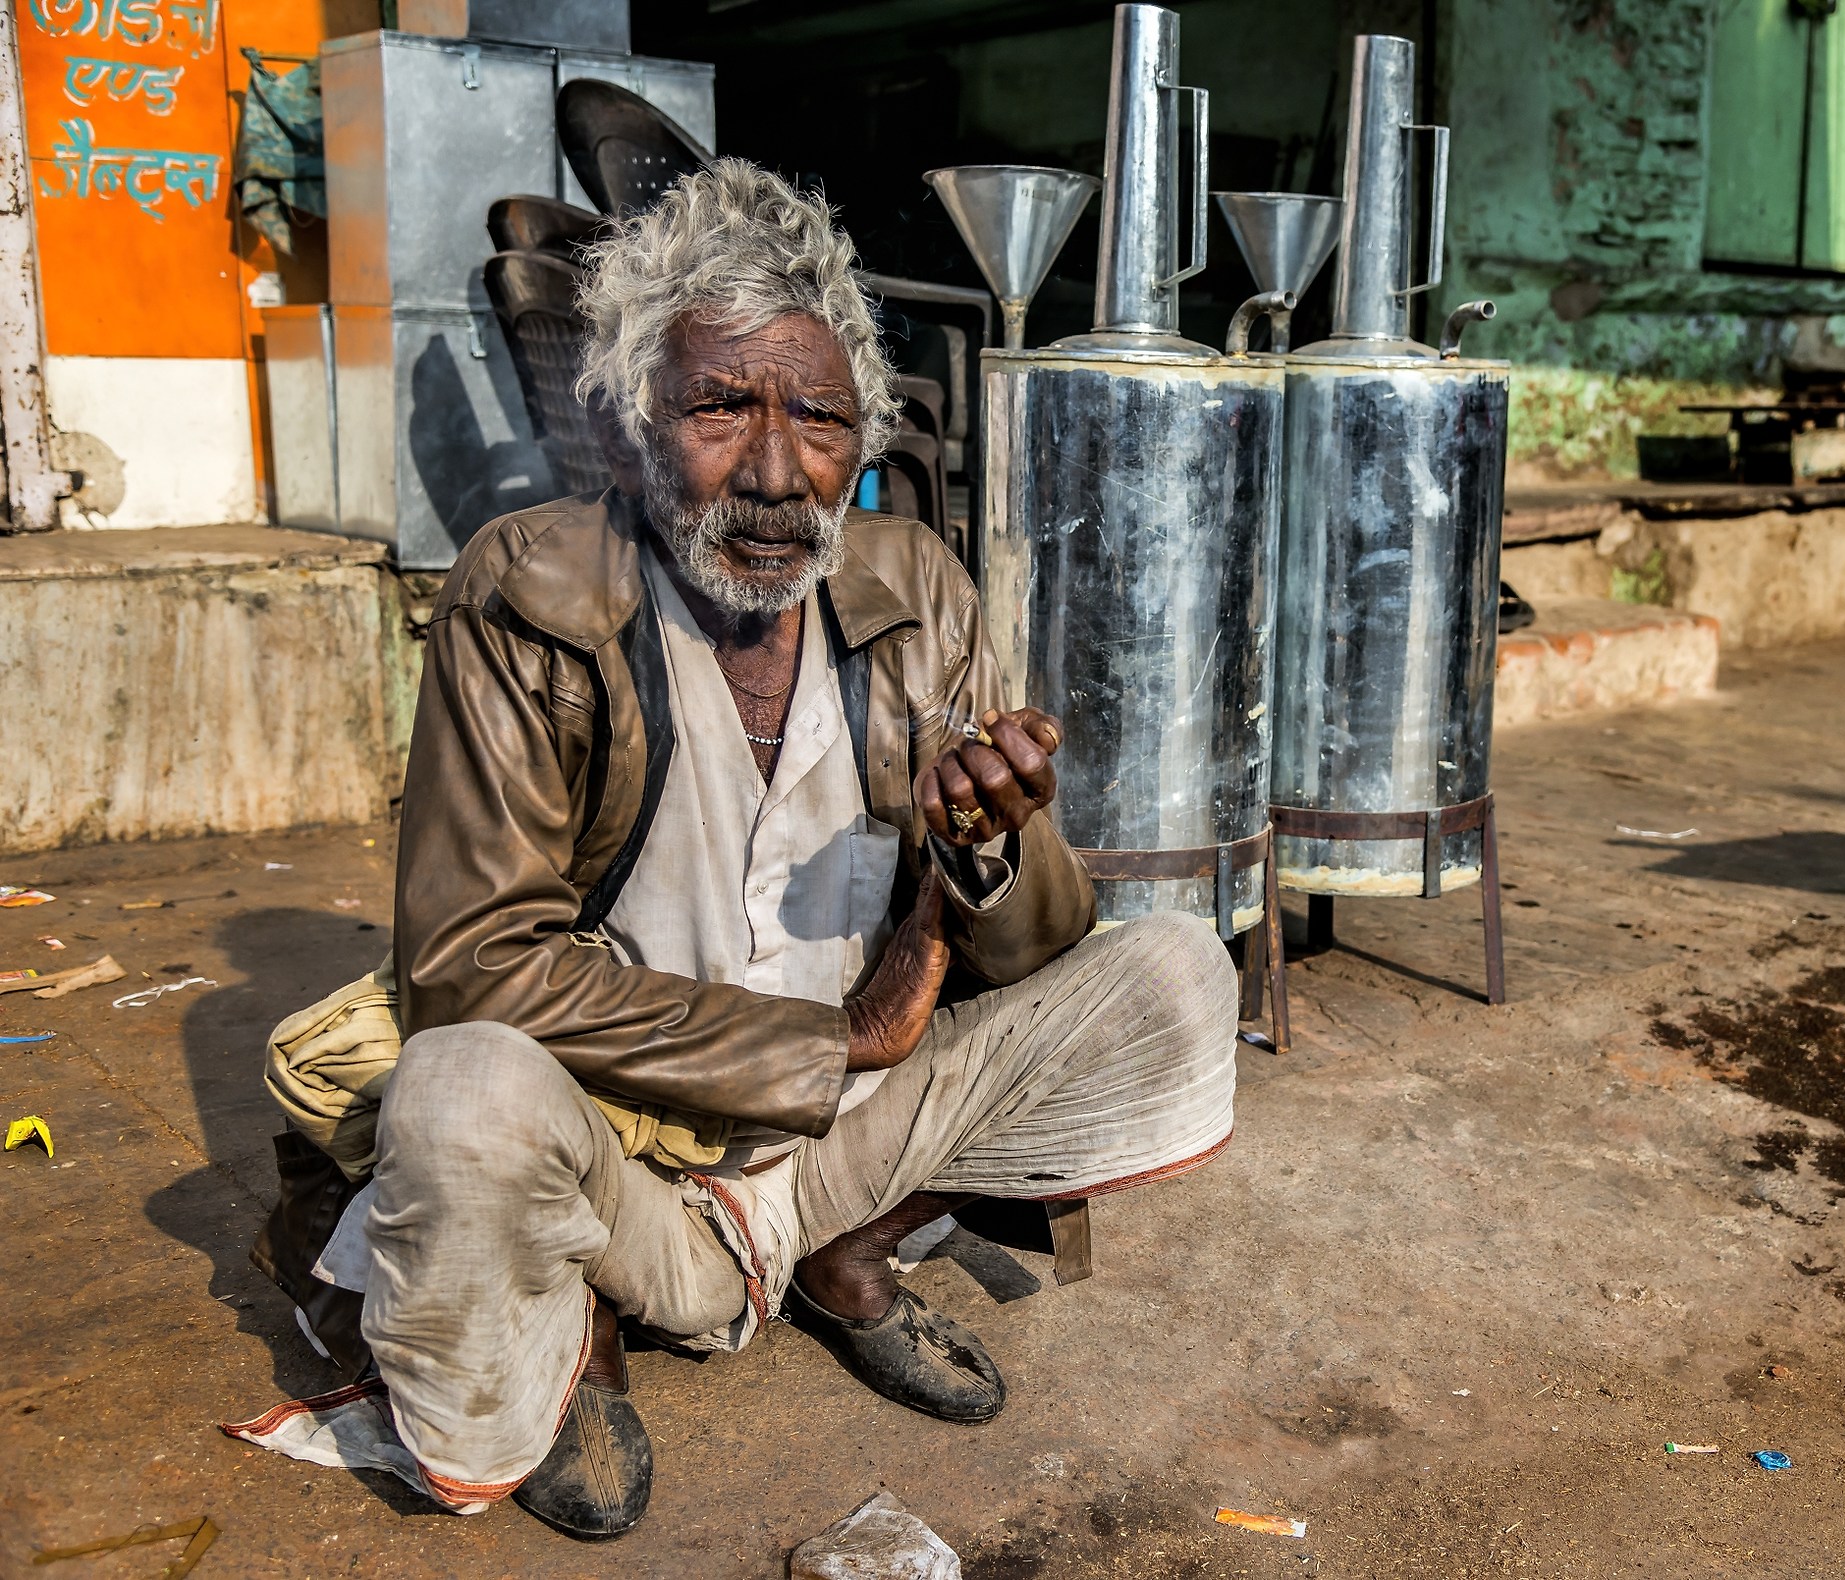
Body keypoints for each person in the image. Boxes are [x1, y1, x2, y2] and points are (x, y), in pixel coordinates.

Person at [254, 160, 1237, 1539]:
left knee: (1179, 974)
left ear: (864, 442)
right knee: (464, 1089)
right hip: (622, 1167)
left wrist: (985, 851)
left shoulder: (914, 591)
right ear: (624, 431)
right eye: (722, 406)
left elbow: (1039, 961)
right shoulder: (524, 594)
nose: (777, 472)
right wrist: (840, 1039)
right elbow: (470, 970)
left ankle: (847, 1253)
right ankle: (579, 1321)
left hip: (845, 1152)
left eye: (821, 418)